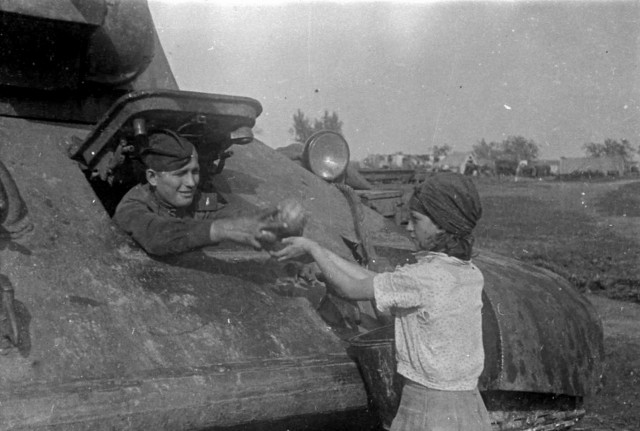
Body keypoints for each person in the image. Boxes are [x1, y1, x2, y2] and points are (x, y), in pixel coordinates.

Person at [271, 172, 492, 431]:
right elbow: (377, 280)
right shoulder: (467, 272)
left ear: (442, 225)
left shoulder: (422, 278)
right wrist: (327, 257)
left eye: (416, 220)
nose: (409, 227)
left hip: (427, 409)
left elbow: (350, 289)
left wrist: (312, 249)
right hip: (467, 405)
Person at [113, 129, 279, 256]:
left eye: (195, 172)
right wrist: (220, 229)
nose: (191, 183)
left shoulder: (197, 198)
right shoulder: (131, 206)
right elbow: (156, 235)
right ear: (152, 177)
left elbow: (226, 212)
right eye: (180, 174)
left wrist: (273, 221)